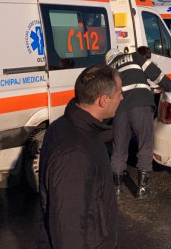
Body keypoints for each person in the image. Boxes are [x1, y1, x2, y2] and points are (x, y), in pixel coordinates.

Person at [38, 65, 122, 248]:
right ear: (103, 101)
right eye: (119, 93)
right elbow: (68, 228)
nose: (121, 98)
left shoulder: (70, 126)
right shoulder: (74, 153)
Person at [107, 48, 171, 199]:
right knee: (145, 144)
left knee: (119, 147)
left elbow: (124, 87)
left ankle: (117, 188)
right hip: (141, 105)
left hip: (120, 110)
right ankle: (142, 188)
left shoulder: (108, 70)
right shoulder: (133, 56)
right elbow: (153, 72)